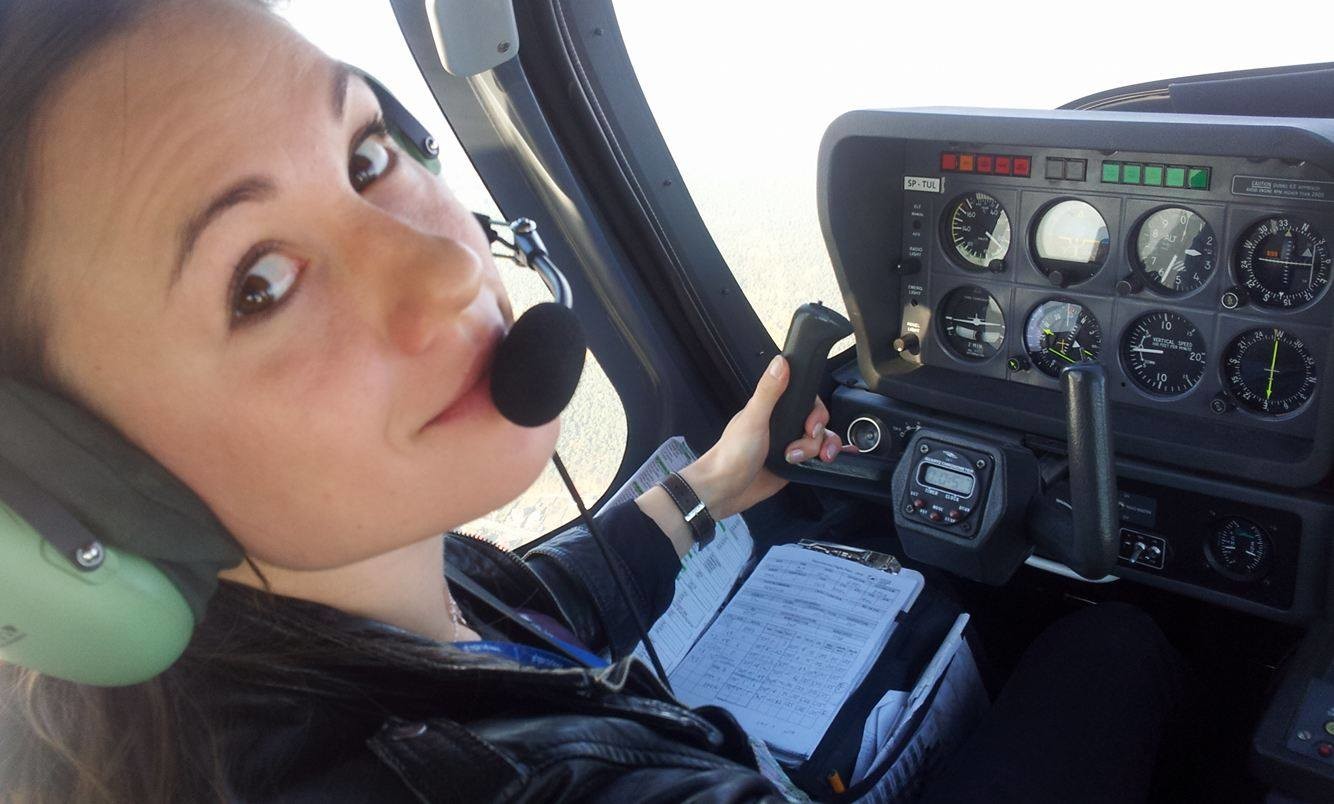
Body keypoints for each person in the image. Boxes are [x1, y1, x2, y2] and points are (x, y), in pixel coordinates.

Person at [0, 1, 1182, 801]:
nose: (448, 268)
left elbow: (532, 610)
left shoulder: (309, 629)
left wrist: (717, 482)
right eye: (259, 282)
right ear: (71, 477)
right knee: (1117, 646)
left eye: (364, 156)